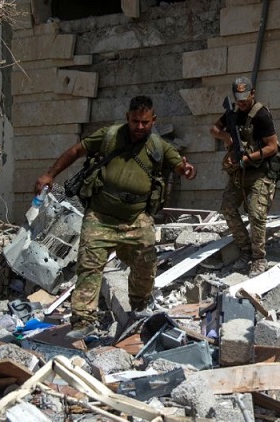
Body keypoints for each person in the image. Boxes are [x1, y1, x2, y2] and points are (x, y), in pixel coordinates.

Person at [35, 96, 197, 339]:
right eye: (135, 121)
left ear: (153, 120)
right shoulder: (109, 136)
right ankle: (83, 321)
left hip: (136, 218)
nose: (139, 127)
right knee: (89, 265)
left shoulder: (157, 146)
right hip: (101, 215)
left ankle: (140, 308)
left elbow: (179, 166)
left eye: (145, 122)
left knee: (146, 264)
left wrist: (186, 170)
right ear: (127, 118)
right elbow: (76, 150)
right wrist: (49, 175)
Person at [210, 76, 279, 277]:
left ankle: (259, 258)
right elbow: (214, 128)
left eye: (245, 98)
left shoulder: (261, 115)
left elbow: (272, 146)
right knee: (228, 208)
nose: (242, 102)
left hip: (260, 172)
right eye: (238, 98)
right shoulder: (233, 114)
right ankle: (245, 250)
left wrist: (248, 158)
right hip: (240, 172)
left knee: (256, 214)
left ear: (252, 93)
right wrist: (227, 137)